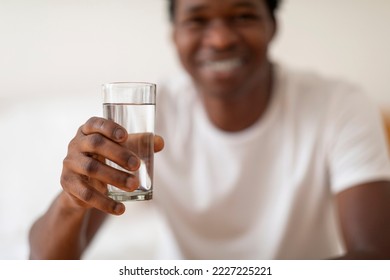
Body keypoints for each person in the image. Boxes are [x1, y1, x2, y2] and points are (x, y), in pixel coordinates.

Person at [29, 0, 390, 259]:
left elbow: (377, 255)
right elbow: (43, 264)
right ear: (175, 34)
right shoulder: (150, 116)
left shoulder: (339, 103)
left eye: (244, 14)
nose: (220, 39)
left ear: (273, 26)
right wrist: (71, 200)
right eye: (198, 19)